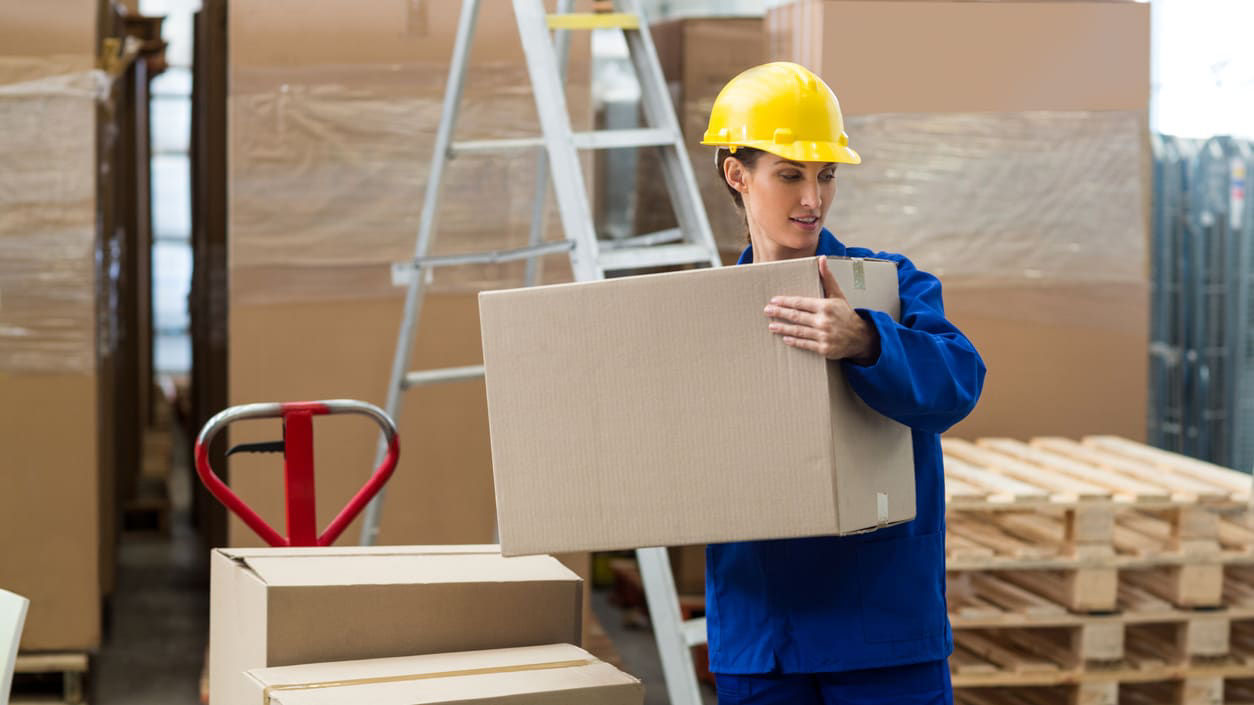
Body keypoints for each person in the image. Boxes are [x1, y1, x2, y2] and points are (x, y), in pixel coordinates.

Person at [698, 61, 987, 705]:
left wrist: (867, 340)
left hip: (884, 632)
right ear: (736, 173)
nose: (813, 199)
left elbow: (960, 384)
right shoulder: (704, 315)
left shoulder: (890, 285)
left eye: (826, 175)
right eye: (791, 175)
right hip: (762, 635)